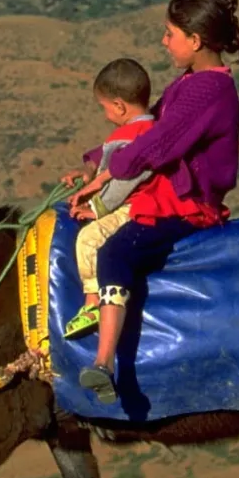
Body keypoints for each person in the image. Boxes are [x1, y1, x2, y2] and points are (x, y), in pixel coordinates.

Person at [74, 0, 239, 401]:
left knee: (114, 252)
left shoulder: (208, 91)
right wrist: (94, 162)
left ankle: (104, 362)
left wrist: (108, 174)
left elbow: (159, 145)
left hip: (188, 204)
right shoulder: (191, 83)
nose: (164, 42)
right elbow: (144, 129)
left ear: (196, 40)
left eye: (170, 34)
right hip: (167, 192)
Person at [58, 58, 162, 340]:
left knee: (89, 239)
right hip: (136, 203)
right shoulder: (152, 129)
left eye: (104, 108)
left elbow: (125, 180)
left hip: (133, 207)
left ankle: (92, 305)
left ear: (119, 106)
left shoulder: (128, 137)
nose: (105, 116)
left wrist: (96, 209)